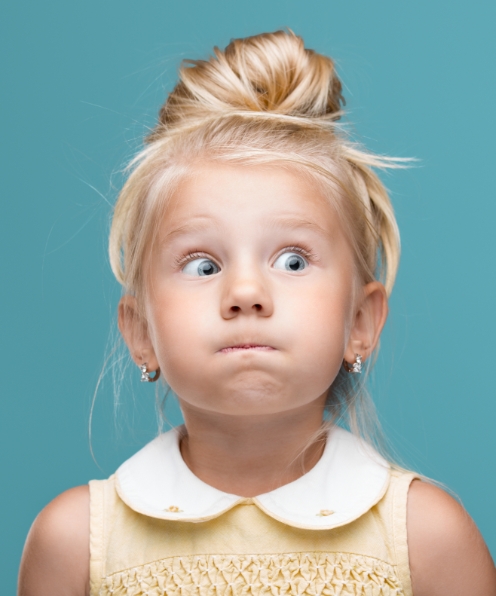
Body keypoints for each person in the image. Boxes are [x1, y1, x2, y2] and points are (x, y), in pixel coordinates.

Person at [18, 30, 495, 596]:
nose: (246, 292)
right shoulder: (74, 545)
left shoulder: (429, 542)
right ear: (141, 332)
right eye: (202, 265)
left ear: (361, 323)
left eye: (293, 261)